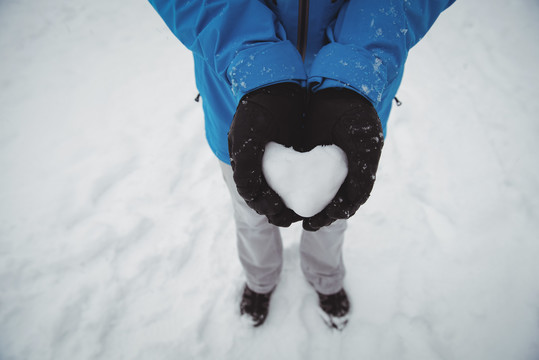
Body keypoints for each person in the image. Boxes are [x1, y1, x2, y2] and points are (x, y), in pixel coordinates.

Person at [148, 0, 454, 330]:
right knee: (251, 212)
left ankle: (325, 277)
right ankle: (260, 279)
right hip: (240, 97)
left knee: (333, 213)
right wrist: (253, 61)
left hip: (350, 101)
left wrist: (355, 67)